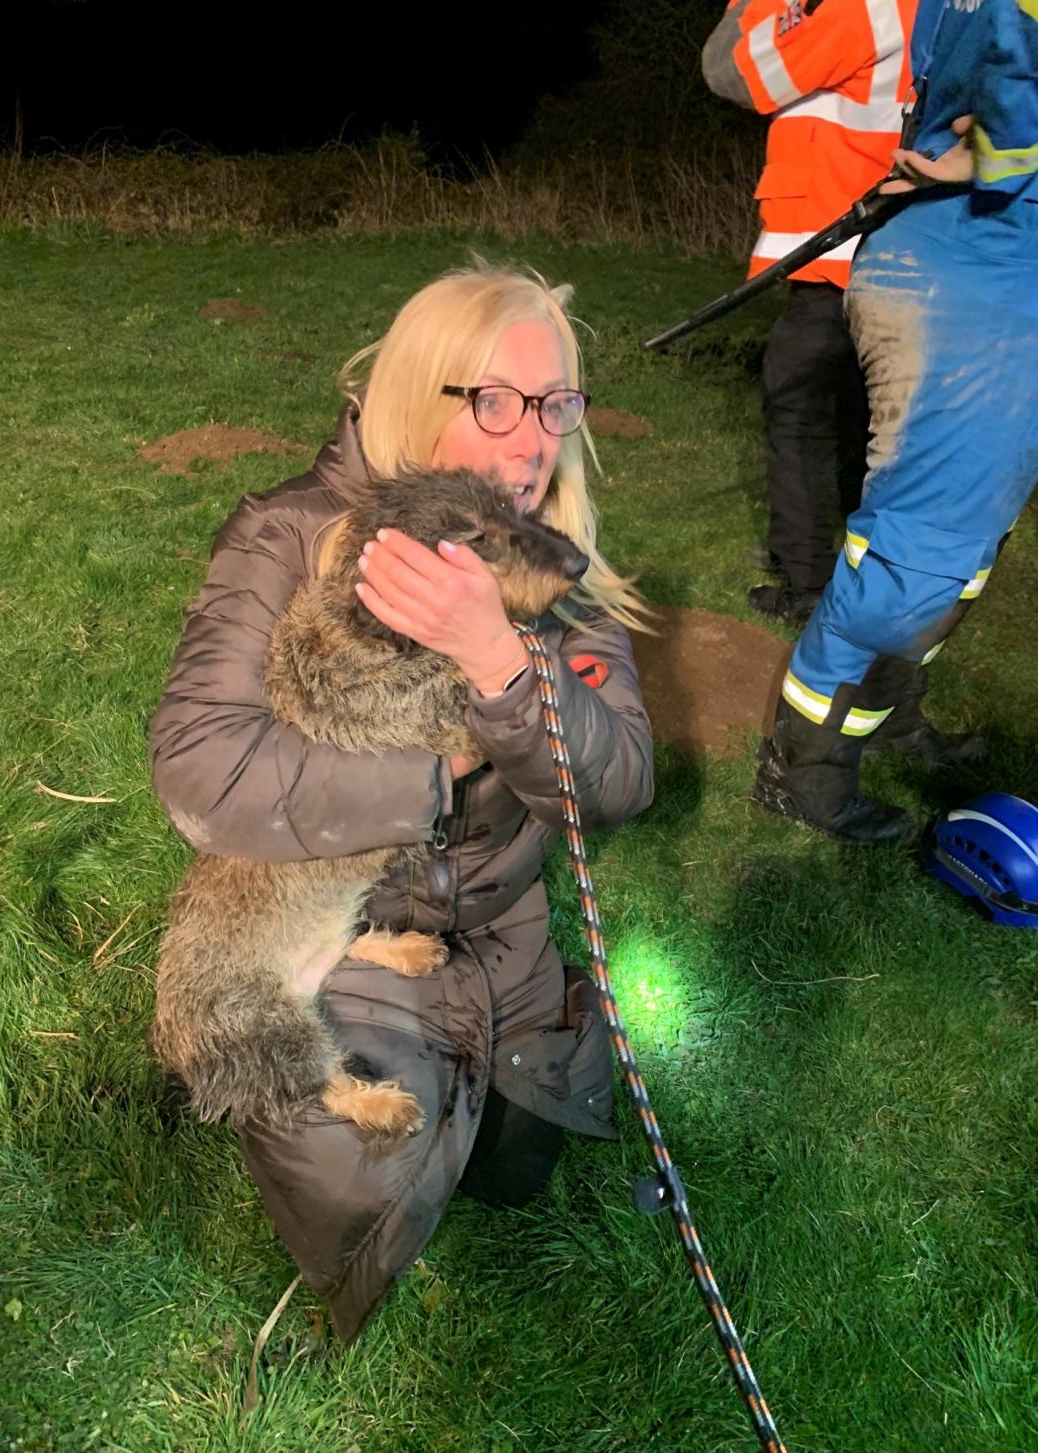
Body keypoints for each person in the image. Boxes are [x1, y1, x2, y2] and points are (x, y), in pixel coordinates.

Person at [148, 264, 655, 1341]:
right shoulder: (288, 534)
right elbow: (200, 767)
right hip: (361, 922)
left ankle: (507, 1046)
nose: (530, 443)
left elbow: (612, 786)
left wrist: (500, 661)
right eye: (494, 401)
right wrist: (436, 778)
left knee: (519, 1173)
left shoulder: (555, 569)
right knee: (355, 1181)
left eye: (556, 403)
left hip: (504, 930)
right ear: (418, 392)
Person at [753, 0, 1038, 843]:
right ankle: (805, 772)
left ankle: (883, 715)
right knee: (918, 557)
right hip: (977, 272)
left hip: (989, 268)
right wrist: (999, 154)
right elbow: (1013, 57)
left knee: (960, 557)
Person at [703, 0, 917, 624]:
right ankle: (856, 569)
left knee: (798, 414)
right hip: (881, 253)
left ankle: (807, 588)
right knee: (860, 422)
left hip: (835, 252)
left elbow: (731, 70)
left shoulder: (863, 9)